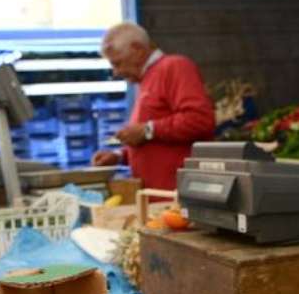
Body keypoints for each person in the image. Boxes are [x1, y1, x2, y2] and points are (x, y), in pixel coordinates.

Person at [92, 22, 215, 190]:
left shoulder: (175, 66)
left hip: (176, 197)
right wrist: (119, 155)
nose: (116, 72)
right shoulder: (146, 80)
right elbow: (156, 142)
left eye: (118, 63)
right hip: (157, 199)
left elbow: (200, 120)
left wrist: (147, 130)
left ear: (138, 49)